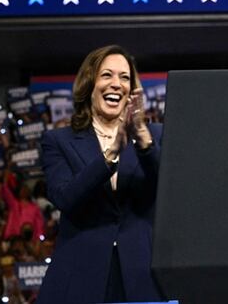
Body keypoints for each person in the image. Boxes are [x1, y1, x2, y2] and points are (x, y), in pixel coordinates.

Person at [38, 45, 163, 303]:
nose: (116, 84)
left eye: (124, 77)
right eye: (107, 75)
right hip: (80, 274)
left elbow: (170, 190)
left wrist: (142, 140)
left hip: (142, 275)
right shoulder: (58, 141)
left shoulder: (155, 136)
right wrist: (109, 156)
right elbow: (65, 197)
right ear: (89, 84)